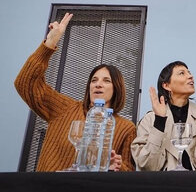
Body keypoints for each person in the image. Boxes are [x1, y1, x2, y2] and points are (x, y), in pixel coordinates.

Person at [14, 13, 136, 171]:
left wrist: (117, 168)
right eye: (94, 80)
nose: (98, 84)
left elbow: (129, 173)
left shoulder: (126, 128)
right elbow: (25, 83)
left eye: (106, 81)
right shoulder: (65, 109)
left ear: (117, 88)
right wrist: (50, 43)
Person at [131, 61, 196, 171]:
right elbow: (147, 166)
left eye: (189, 72)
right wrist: (159, 121)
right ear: (166, 85)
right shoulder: (150, 119)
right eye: (182, 73)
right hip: (163, 185)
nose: (190, 76)